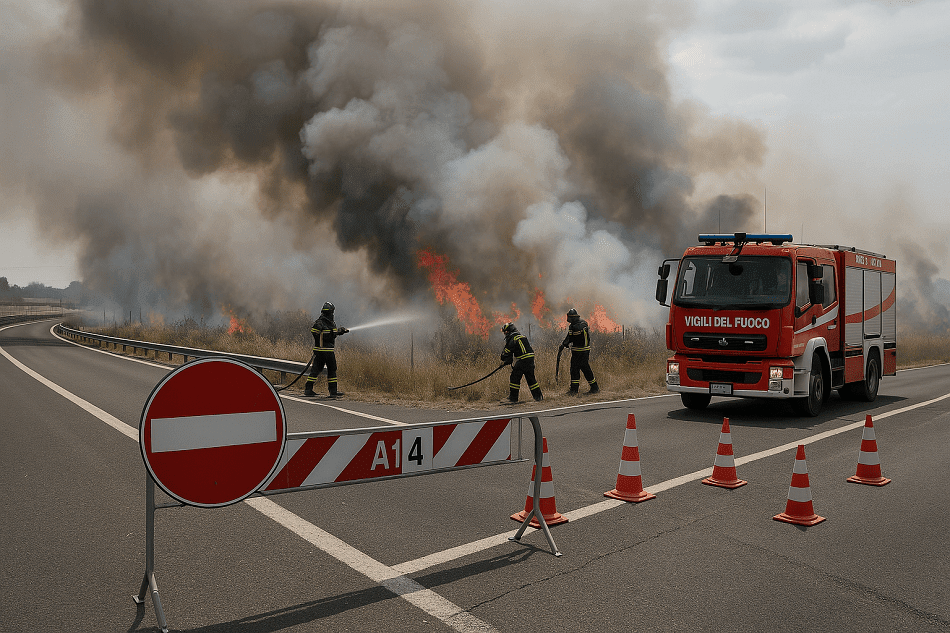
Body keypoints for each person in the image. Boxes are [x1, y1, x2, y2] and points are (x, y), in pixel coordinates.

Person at [303, 302, 349, 397]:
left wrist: (340, 331)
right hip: (324, 351)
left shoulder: (329, 323)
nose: (332, 314)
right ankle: (332, 392)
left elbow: (332, 333)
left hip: (324, 351)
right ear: (328, 312)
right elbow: (316, 333)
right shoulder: (320, 322)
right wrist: (334, 332)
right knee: (330, 370)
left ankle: (310, 389)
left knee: (317, 370)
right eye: (331, 312)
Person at [500, 322, 543, 403]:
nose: (505, 334)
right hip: (530, 360)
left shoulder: (512, 339)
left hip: (522, 361)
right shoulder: (523, 337)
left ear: (509, 331)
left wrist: (504, 360)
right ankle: (538, 397)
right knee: (531, 379)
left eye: (506, 332)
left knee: (514, 378)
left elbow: (506, 354)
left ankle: (513, 398)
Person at [561, 308, 599, 395]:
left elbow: (571, 337)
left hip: (579, 352)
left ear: (573, 317)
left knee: (576, 369)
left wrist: (565, 344)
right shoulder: (583, 323)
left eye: (570, 318)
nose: (569, 320)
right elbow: (570, 337)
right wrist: (564, 344)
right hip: (584, 351)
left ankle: (575, 390)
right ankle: (594, 387)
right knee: (583, 369)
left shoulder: (576, 326)